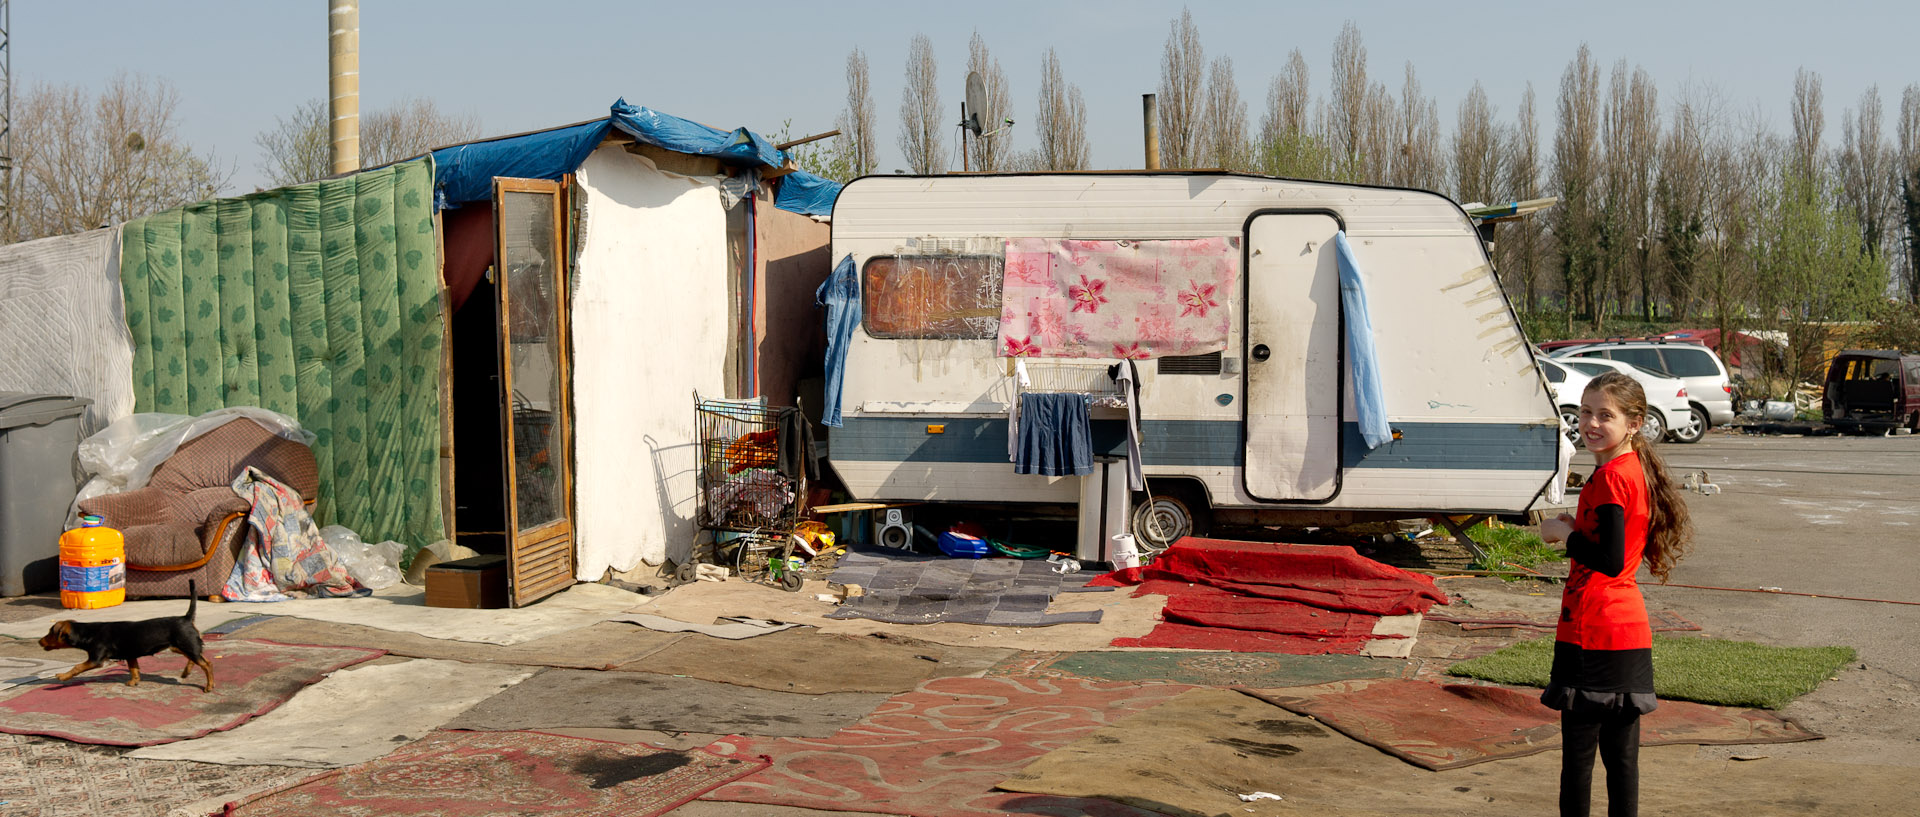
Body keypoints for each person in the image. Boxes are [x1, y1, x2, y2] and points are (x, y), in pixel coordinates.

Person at [1538, 371, 1693, 817]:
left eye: (1606, 414)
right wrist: (1575, 527)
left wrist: (1559, 534)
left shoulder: (1609, 477)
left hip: (1593, 630)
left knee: (1579, 764)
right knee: (1623, 762)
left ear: (1634, 423)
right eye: (1586, 412)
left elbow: (1606, 559)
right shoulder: (1630, 469)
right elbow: (1618, 550)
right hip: (1629, 632)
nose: (1591, 423)